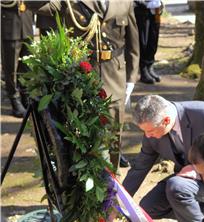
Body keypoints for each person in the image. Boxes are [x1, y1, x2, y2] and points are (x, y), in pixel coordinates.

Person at [35, 0, 140, 169]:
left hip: (115, 76)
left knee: (113, 134)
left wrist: (131, 78)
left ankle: (111, 184)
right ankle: (87, 189)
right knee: (82, 135)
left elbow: (133, 41)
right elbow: (39, 6)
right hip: (82, 77)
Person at [122, 94, 204, 222]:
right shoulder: (152, 130)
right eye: (144, 132)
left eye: (150, 131)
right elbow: (140, 166)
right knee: (143, 212)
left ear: (166, 120)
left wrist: (197, 169)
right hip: (183, 181)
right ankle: (196, 211)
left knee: (177, 186)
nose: (147, 136)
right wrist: (122, 202)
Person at [1, 0, 34, 117]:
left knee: (27, 65)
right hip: (10, 24)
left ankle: (25, 95)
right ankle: (14, 99)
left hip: (26, 23)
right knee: (11, 67)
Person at [134, 0, 162, 84]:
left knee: (153, 40)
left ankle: (150, 66)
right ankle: (143, 70)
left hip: (155, 10)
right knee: (143, 42)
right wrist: (145, 4)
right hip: (141, 11)